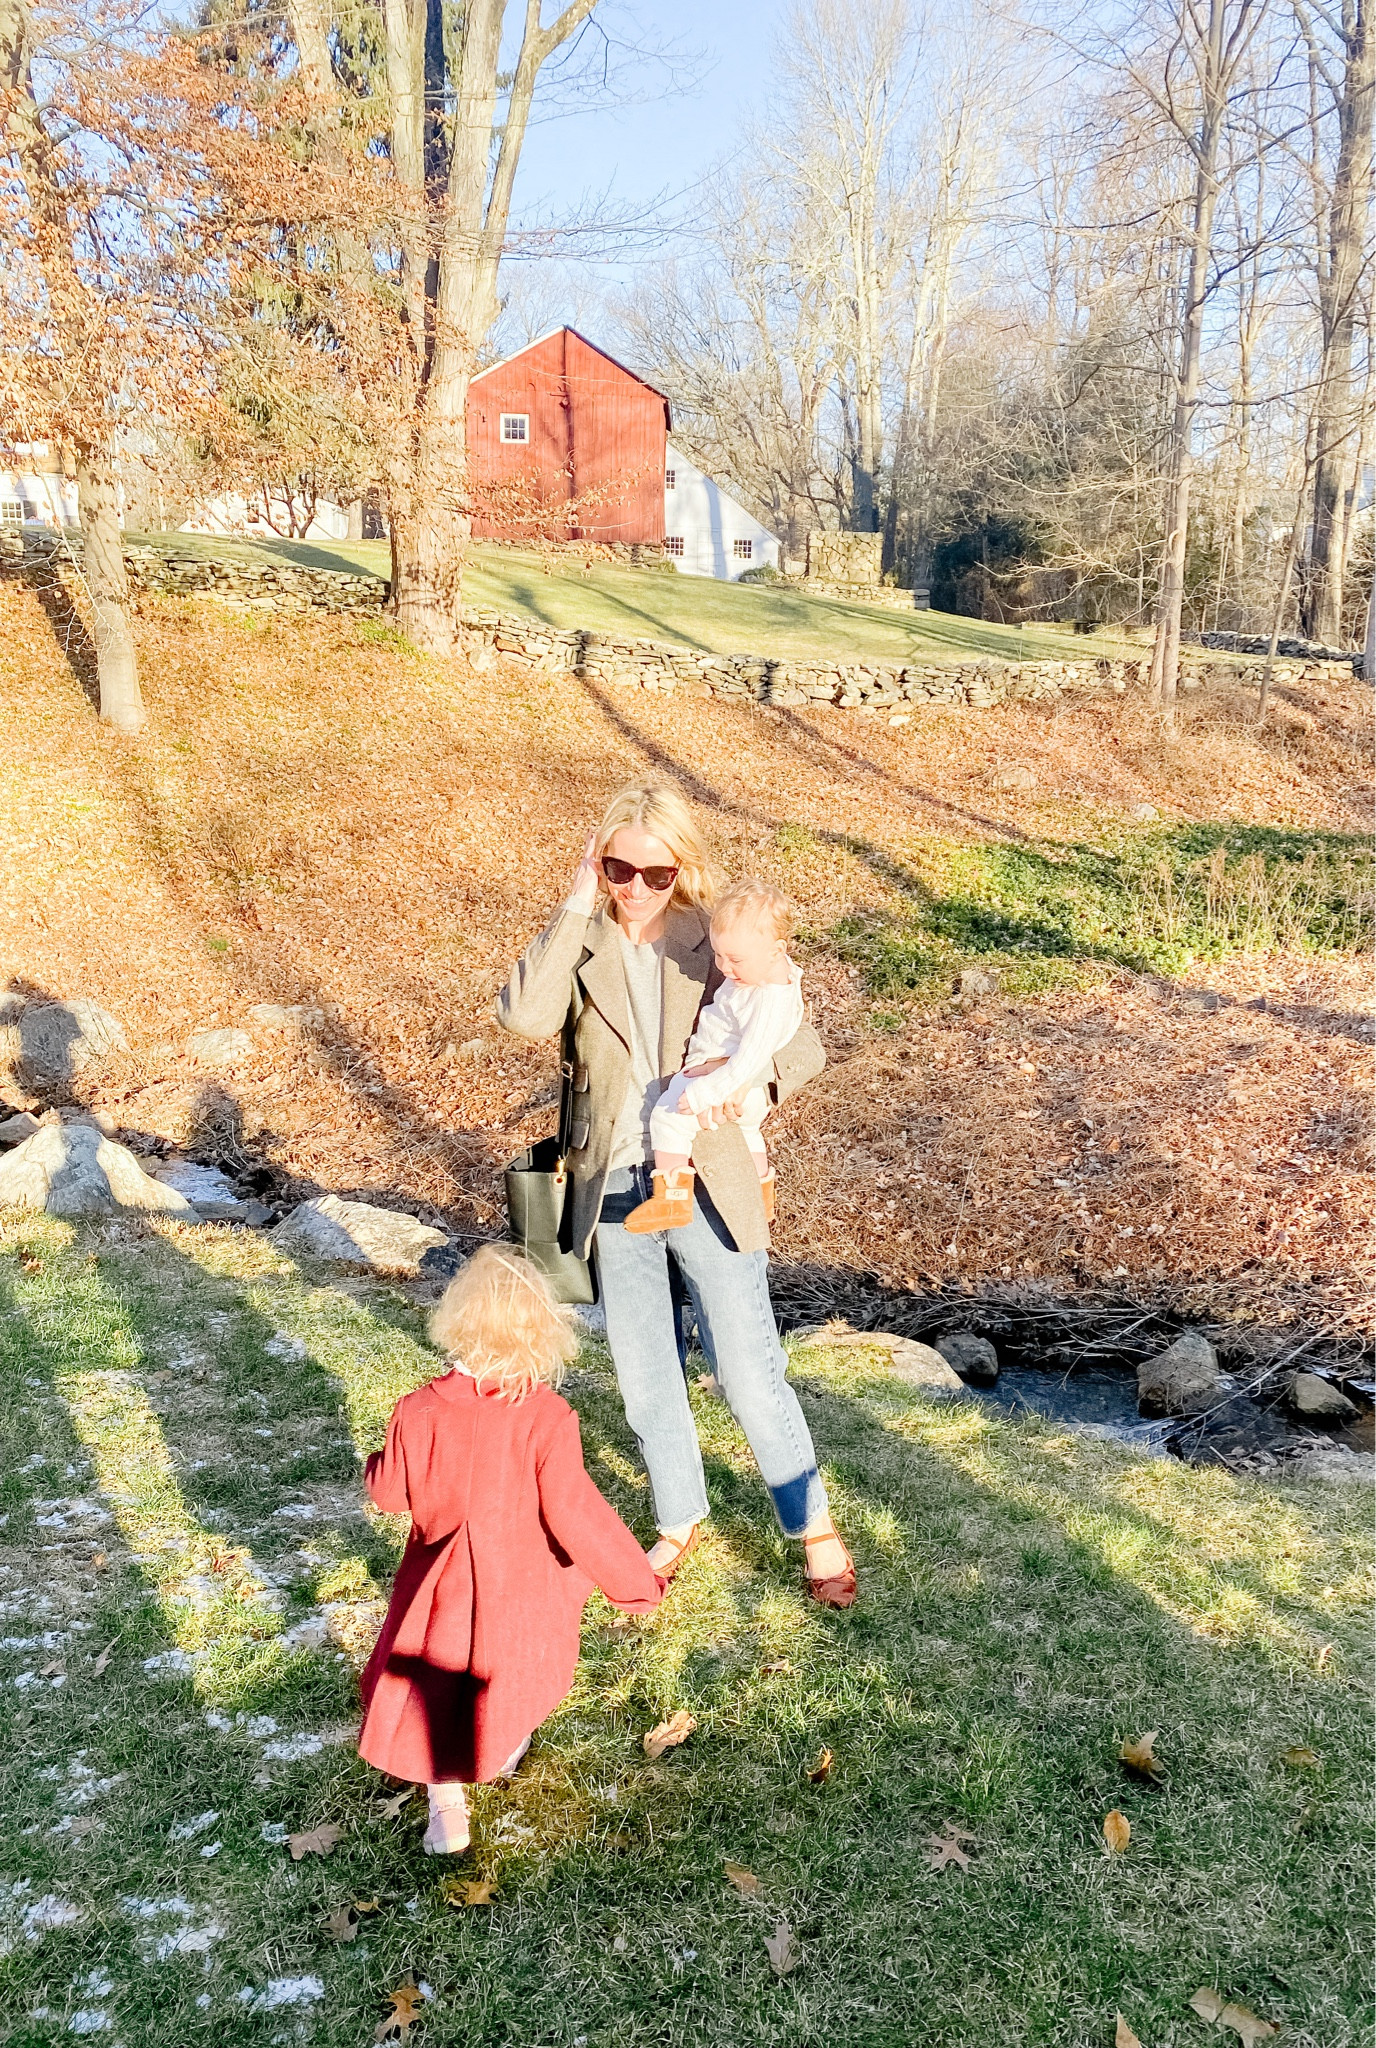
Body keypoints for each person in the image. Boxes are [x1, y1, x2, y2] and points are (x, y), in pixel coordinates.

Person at [496, 782, 856, 1607]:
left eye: (653, 873)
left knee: (747, 1365)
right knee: (645, 1370)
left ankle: (811, 1524)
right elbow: (524, 1017)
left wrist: (757, 1095)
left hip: (709, 1178)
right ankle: (677, 1518)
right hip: (614, 1181)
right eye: (618, 866)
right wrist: (576, 900)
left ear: (681, 868)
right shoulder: (582, 937)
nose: (634, 887)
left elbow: (804, 1046)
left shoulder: (717, 937)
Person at [357, 1244, 665, 1855]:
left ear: (457, 1321)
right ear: (540, 1332)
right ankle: (497, 1745)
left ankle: (447, 1804)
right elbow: (574, 1511)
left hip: (439, 1585)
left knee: (436, 1684)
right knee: (520, 1664)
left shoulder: (416, 1410)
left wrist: (375, 1465)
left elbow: (390, 1495)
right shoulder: (545, 1416)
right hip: (521, 1581)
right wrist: (634, 1581)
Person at [623, 877, 802, 1233]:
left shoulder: (768, 998)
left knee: (668, 1119)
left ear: (776, 950)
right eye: (719, 954)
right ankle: (761, 1200)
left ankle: (671, 1199)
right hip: (740, 1089)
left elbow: (751, 1057)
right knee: (748, 1135)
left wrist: (707, 1091)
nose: (724, 967)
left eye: (735, 959)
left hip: (721, 1082)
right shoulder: (771, 976)